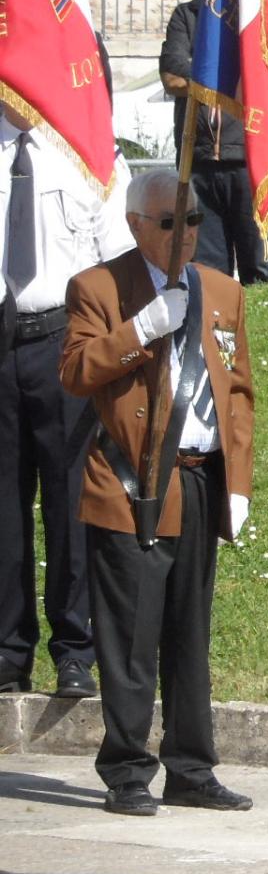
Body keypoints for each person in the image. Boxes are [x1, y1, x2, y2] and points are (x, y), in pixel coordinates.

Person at [59, 170, 254, 815]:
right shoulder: (100, 287)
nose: (185, 233)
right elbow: (77, 371)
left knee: (189, 634)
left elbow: (239, 394)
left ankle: (192, 768)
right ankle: (127, 770)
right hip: (131, 483)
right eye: (170, 222)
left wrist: (241, 481)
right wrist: (140, 330)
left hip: (199, 481)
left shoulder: (222, 290)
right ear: (137, 223)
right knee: (131, 636)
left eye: (193, 219)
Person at [0, 124, 131, 698]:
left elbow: (121, 259)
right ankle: (8, 650)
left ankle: (74, 650)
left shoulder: (87, 153)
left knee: (70, 498)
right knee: (3, 507)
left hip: (62, 339)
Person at [159, 0, 268, 284]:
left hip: (251, 161)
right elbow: (172, 75)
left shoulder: (260, 17)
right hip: (199, 162)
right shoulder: (188, 15)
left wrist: (200, 74)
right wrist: (231, 78)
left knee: (260, 273)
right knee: (206, 275)